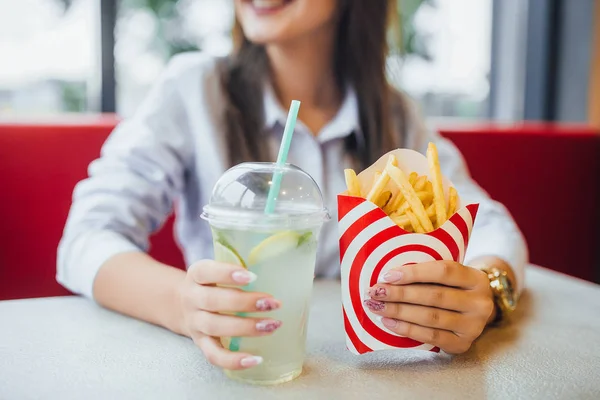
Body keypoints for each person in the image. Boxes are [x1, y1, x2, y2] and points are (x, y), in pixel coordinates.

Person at [58, 0, 527, 371]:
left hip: (374, 373)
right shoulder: (193, 87)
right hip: (238, 364)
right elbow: (85, 238)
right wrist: (184, 304)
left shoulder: (393, 115)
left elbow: (488, 225)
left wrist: (486, 291)